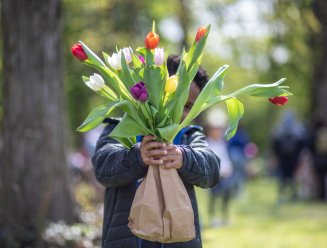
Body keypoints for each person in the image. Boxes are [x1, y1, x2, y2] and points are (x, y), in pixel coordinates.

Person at [92, 55, 221, 248]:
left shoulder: (189, 136)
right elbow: (102, 168)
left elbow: (212, 170)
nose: (179, 111)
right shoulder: (120, 128)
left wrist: (184, 158)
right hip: (127, 240)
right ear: (153, 88)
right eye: (173, 100)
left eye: (188, 107)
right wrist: (137, 156)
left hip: (177, 240)